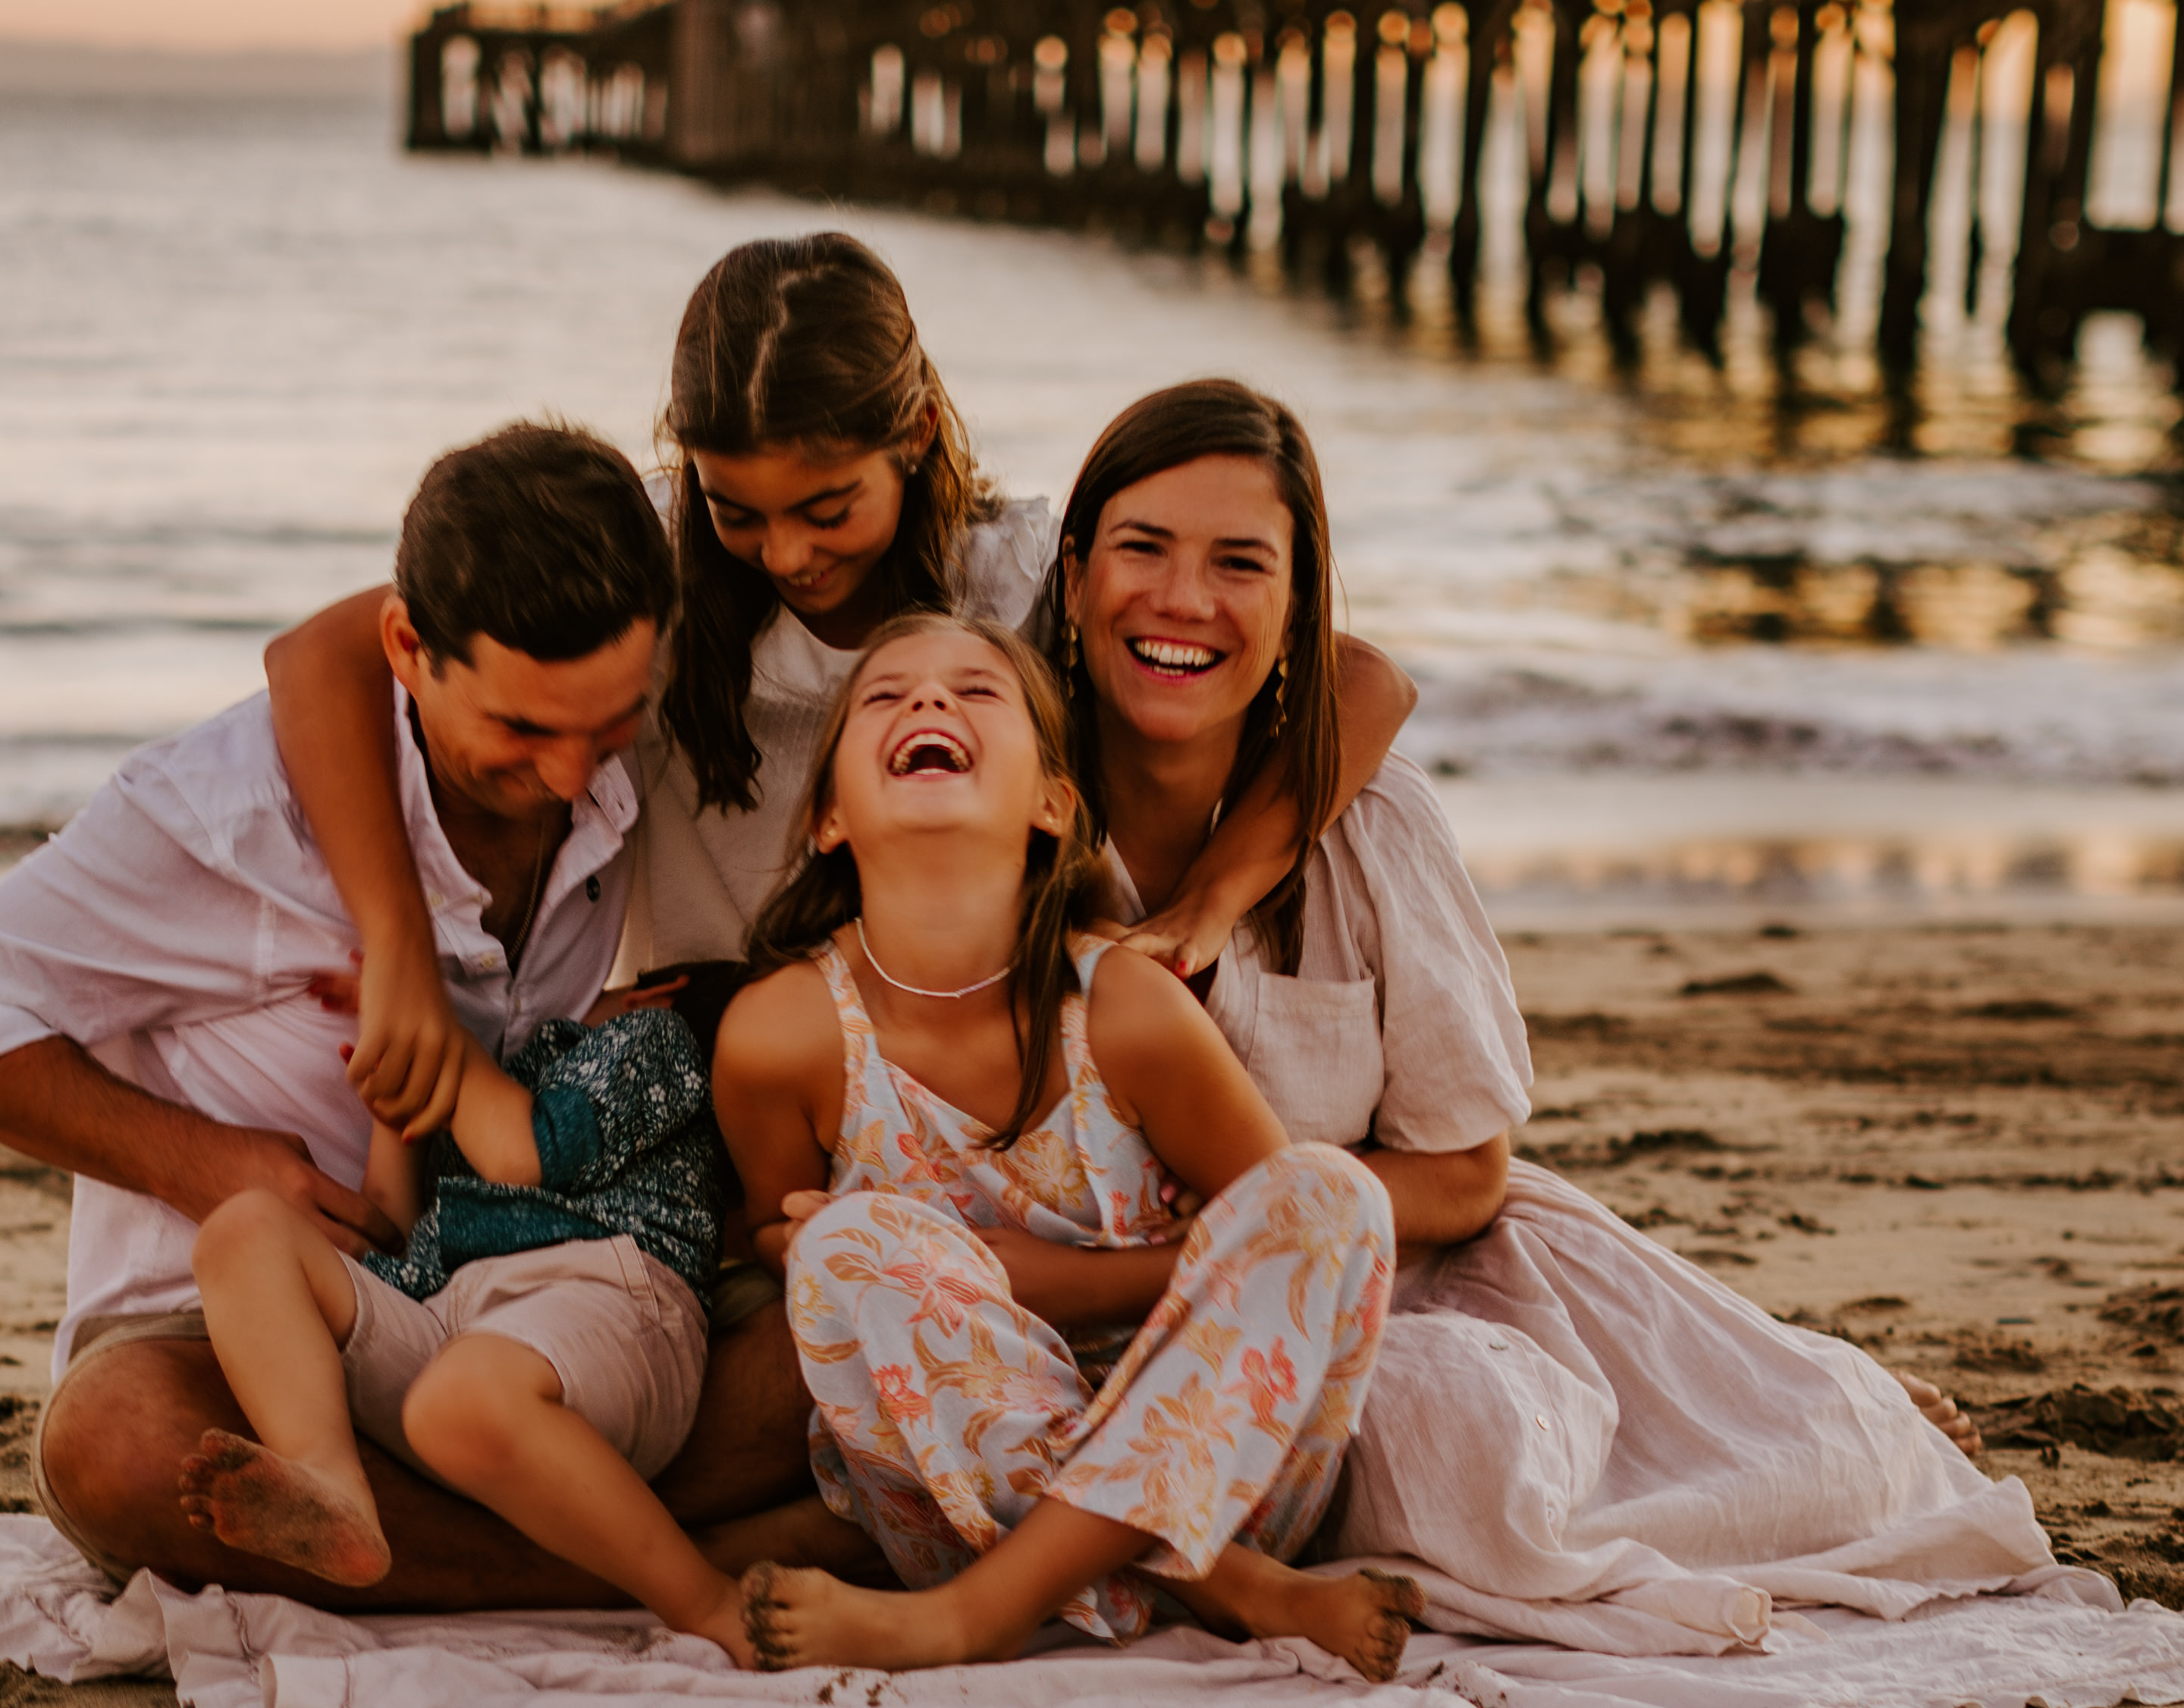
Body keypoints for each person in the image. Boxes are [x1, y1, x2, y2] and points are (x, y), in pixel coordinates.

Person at [1030, 382, 2041, 1644]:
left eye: (1241, 563)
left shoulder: (1377, 826)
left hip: (1402, 1288)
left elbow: (1464, 1175)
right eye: (1144, 549)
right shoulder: (997, 820)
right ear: (1073, 576)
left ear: (1299, 608)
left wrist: (1275, 1229)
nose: (1184, 601)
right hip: (1087, 1308)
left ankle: (1826, 1405)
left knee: (1548, 1452)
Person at [0, 422, 800, 1606]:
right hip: (277, 1336)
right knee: (114, 1444)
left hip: (545, 1318)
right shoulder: (228, 818)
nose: (573, 777)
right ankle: (640, 1566)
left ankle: (522, 1546)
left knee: (831, 1343)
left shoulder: (598, 711)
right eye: (521, 731)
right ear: (409, 651)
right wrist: (200, 1163)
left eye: (609, 725)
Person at [259, 233, 1421, 1151]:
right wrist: (397, 945)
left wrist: (1211, 902)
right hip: (722, 1073)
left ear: (915, 435)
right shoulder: (653, 568)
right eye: (736, 510)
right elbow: (319, 656)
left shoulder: (1004, 577)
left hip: (946, 1081)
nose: (785, 554)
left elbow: (1362, 682)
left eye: (827, 510)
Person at [708, 612, 1420, 1679]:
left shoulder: (1123, 1005)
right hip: (955, 1497)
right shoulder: (782, 1033)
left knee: (1333, 1192)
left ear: (1053, 804)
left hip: (1223, 1475)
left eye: (975, 691)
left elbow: (1281, 1255)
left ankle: (972, 1619)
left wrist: (1053, 1279)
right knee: (844, 1246)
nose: (929, 702)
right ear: (828, 819)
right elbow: (780, 1231)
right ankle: (1231, 1591)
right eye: (886, 695)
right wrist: (857, 1248)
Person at [180, 965, 756, 1664]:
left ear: (651, 991)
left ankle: (708, 1601)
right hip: (453, 1326)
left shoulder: (656, 1036)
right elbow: (394, 1232)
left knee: (459, 1399)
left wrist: (429, 1027)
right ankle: (328, 1477)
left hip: (604, 1294)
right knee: (242, 1231)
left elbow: (525, 1156)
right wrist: (396, 1109)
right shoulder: (496, 1093)